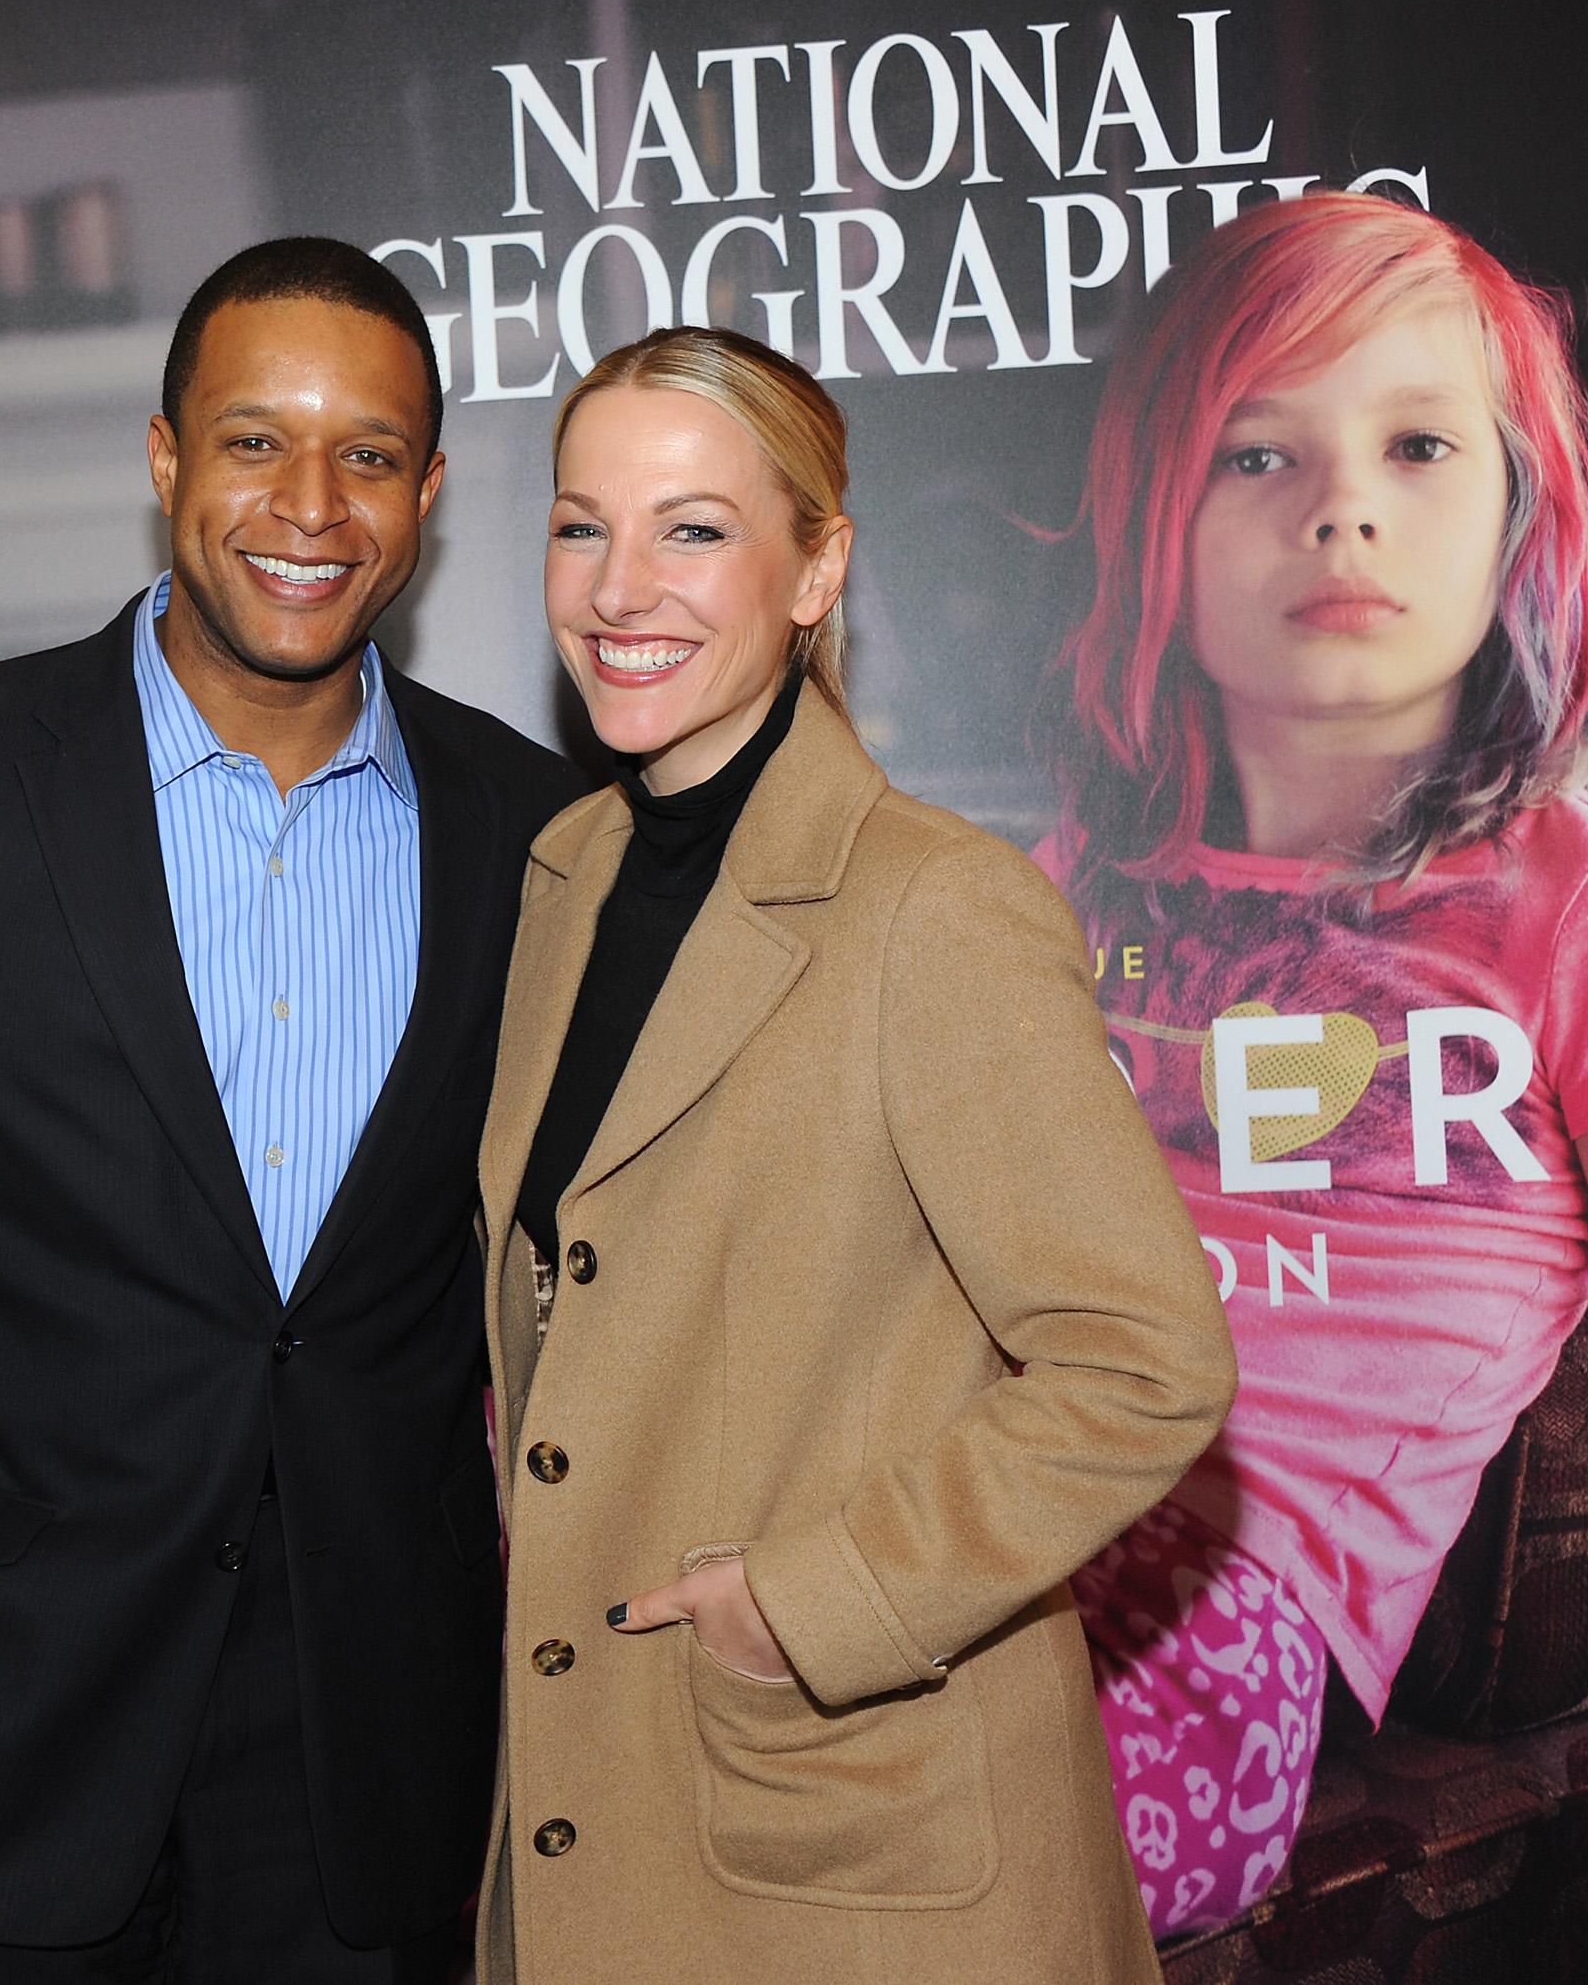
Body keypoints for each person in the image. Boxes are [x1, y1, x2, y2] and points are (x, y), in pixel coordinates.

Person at [0, 235, 587, 1981]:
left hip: (355, 1776)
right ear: (164, 457)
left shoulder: (534, 830)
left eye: (368, 456)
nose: (308, 505)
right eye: (254, 441)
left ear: (430, 493)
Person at [1041, 192, 1588, 1977]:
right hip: (940, 1509)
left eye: (1417, 442)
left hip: (1212, 1618)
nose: (1343, 504)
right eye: (1258, 452)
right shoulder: (1055, 888)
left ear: (1518, 518)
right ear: (1155, 521)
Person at [474, 324, 1237, 1985]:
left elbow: (1145, 1360)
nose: (621, 586)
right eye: (580, 523)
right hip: (606, 1802)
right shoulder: (562, 882)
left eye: (693, 528)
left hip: (849, 1845)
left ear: (818, 568)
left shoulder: (934, 909)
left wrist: (816, 1602)